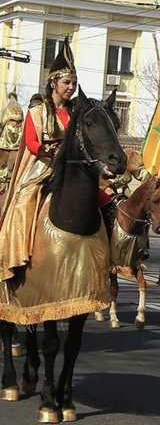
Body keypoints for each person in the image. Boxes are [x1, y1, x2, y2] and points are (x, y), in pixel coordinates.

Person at [0, 38, 88, 280]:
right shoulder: (36, 112)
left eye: (74, 83)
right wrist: (50, 151)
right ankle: (16, 256)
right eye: (67, 82)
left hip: (72, 167)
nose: (71, 87)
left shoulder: (76, 112)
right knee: (24, 202)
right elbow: (30, 142)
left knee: (105, 201)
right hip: (44, 165)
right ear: (54, 83)